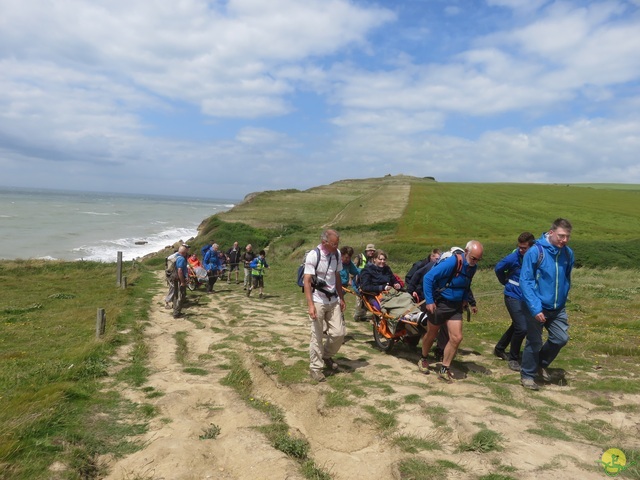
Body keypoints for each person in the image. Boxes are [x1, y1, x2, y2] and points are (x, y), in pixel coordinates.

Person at [519, 219, 574, 391]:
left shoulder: (567, 253)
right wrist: (535, 307)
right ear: (551, 233)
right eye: (561, 236)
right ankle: (527, 375)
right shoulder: (536, 252)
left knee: (560, 338)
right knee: (534, 341)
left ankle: (539, 364)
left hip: (557, 307)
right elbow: (526, 281)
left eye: (567, 237)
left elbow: (566, 277)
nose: (564, 240)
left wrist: (563, 298)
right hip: (535, 305)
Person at [418, 241, 483, 382]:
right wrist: (429, 301)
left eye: (478, 259)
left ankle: (444, 368)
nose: (475, 262)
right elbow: (428, 278)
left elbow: (467, 283)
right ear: (466, 251)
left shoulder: (473, 267)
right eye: (473, 258)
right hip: (439, 302)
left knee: (457, 337)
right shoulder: (453, 262)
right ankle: (423, 358)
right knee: (432, 333)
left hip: (455, 306)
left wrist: (466, 299)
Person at [304, 229, 346, 382]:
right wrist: (310, 305)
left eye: (337, 243)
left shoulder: (337, 254)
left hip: (333, 299)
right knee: (317, 334)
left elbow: (337, 276)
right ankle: (315, 368)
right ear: (324, 243)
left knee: (339, 333)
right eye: (334, 244)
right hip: (318, 299)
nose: (337, 247)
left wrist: (341, 297)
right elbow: (307, 281)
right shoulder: (313, 255)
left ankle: (326, 356)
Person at [493, 232, 536, 371]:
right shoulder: (513, 257)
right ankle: (513, 358)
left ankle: (499, 348)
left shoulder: (535, 256)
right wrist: (504, 281)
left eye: (524, 248)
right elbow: (498, 268)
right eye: (520, 247)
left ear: (532, 246)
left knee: (517, 325)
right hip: (512, 295)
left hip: (526, 297)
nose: (521, 250)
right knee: (522, 327)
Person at [359, 249, 418, 333]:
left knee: (407, 297)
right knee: (385, 308)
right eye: (380, 259)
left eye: (384, 259)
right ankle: (394, 321)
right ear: (374, 259)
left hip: (390, 293)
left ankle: (410, 316)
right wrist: (382, 287)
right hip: (374, 295)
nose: (382, 261)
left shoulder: (387, 269)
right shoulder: (367, 271)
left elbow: (393, 280)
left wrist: (396, 284)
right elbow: (365, 287)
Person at [353, 243, 377, 321]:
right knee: (359, 299)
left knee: (366, 300)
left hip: (368, 281)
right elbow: (353, 269)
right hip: (358, 280)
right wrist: (352, 282)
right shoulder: (359, 257)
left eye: (373, 251)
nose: (372, 252)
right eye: (370, 250)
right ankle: (357, 315)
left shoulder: (374, 259)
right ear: (366, 251)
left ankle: (362, 315)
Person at [172, 245, 189, 319]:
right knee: (181, 295)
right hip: (179, 279)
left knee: (176, 295)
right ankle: (177, 313)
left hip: (174, 278)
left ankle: (175, 310)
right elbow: (180, 270)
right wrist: (182, 281)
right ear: (184, 252)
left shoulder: (175, 256)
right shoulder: (181, 259)